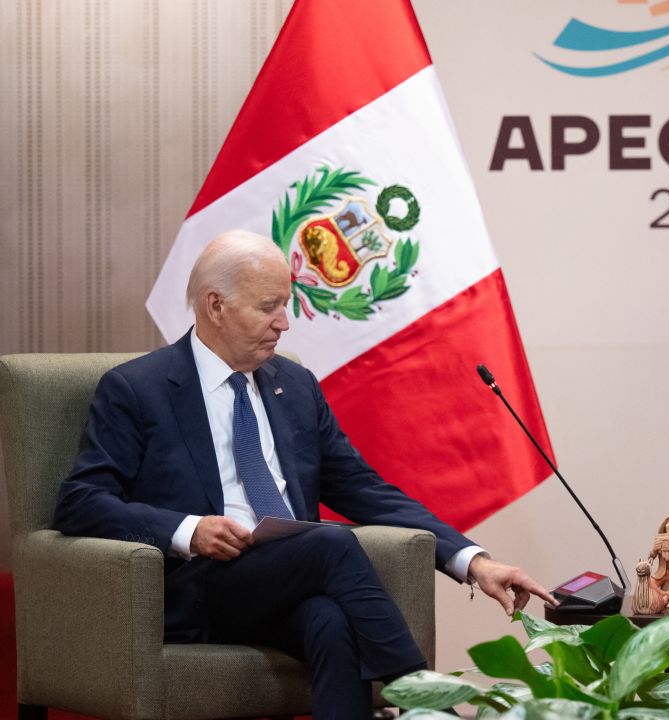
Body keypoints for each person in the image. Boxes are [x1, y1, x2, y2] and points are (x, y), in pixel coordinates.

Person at [53, 230, 556, 719]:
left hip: (286, 579)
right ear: (215, 306)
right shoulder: (138, 389)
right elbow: (81, 501)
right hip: (199, 587)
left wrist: (472, 561)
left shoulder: (293, 386)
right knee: (332, 543)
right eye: (268, 306)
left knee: (330, 621)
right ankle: (424, 703)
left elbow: (365, 490)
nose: (284, 323)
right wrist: (189, 530)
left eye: (285, 304)